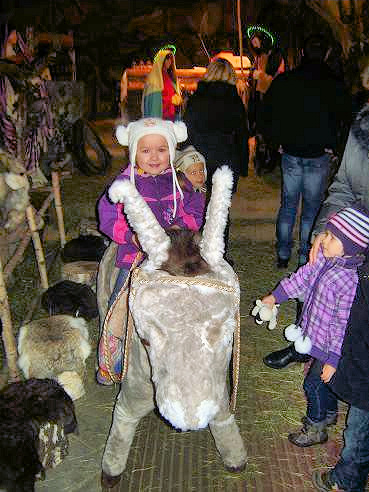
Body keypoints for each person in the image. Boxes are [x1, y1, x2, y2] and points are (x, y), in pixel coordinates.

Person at [263, 63, 368, 371]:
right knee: (317, 274)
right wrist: (323, 231)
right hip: (353, 233)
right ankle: (305, 345)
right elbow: (344, 185)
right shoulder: (362, 125)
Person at [96, 117, 205, 385]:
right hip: (136, 255)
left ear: (171, 150)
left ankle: (196, 352)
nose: (154, 157)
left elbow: (195, 208)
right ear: (134, 152)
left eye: (161, 149)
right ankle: (112, 356)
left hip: (175, 254)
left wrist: (184, 227)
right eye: (145, 151)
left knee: (201, 294)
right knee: (121, 300)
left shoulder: (179, 182)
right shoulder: (124, 182)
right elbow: (108, 216)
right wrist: (130, 236)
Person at [259, 207, 369, 449]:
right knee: (323, 382)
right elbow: (301, 278)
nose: (323, 240)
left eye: (331, 237)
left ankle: (315, 426)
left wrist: (333, 359)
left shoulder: (348, 282)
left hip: (329, 345)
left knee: (313, 383)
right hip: (314, 335)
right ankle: (328, 413)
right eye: (326, 233)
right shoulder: (323, 261)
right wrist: (275, 297)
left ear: (350, 248)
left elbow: (342, 326)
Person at [259, 34, 352, 270]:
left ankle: (282, 253)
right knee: (312, 208)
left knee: (288, 203)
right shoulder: (335, 84)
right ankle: (304, 256)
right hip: (319, 154)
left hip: (291, 152)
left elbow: (267, 113)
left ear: (302, 53)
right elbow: (346, 118)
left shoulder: (286, 81)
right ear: (327, 55)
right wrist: (334, 145)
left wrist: (276, 141)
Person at [183, 57, 248, 259]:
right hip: (225, 161)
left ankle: (193, 252)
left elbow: (187, 131)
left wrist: (184, 159)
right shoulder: (235, 101)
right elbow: (241, 136)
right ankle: (218, 255)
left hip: (199, 161)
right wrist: (243, 166)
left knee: (196, 206)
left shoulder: (196, 99)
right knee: (220, 209)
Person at [246, 25, 286, 175]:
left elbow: (273, 77)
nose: (255, 45)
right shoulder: (259, 56)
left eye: (257, 42)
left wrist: (260, 76)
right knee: (259, 131)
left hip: (271, 99)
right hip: (259, 99)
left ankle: (271, 160)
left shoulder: (275, 55)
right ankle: (260, 160)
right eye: (253, 43)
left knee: (269, 131)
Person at [142, 48, 182, 121]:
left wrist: (177, 98)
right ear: (161, 60)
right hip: (161, 118)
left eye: (170, 59)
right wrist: (171, 100)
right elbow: (154, 101)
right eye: (167, 59)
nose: (169, 62)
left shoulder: (170, 76)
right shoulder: (154, 78)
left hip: (171, 117)